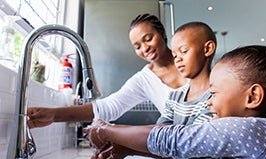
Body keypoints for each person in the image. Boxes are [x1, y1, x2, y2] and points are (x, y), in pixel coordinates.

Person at [84, 39, 266, 159]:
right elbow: (187, 149)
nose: (209, 102)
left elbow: (173, 140)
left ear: (252, 97)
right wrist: (129, 148)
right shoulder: (254, 132)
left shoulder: (246, 129)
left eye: (214, 93)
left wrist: (105, 130)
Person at [84, 21, 217, 159]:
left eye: (184, 51)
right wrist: (126, 149)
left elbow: (183, 142)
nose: (178, 59)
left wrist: (108, 131)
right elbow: (161, 138)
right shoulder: (175, 98)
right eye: (175, 55)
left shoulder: (216, 97)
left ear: (207, 49)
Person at [27, 13, 187, 128]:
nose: (145, 49)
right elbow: (109, 107)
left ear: (163, 34)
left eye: (148, 39)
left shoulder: (189, 57)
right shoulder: (143, 80)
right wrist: (54, 114)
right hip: (190, 156)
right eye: (137, 47)